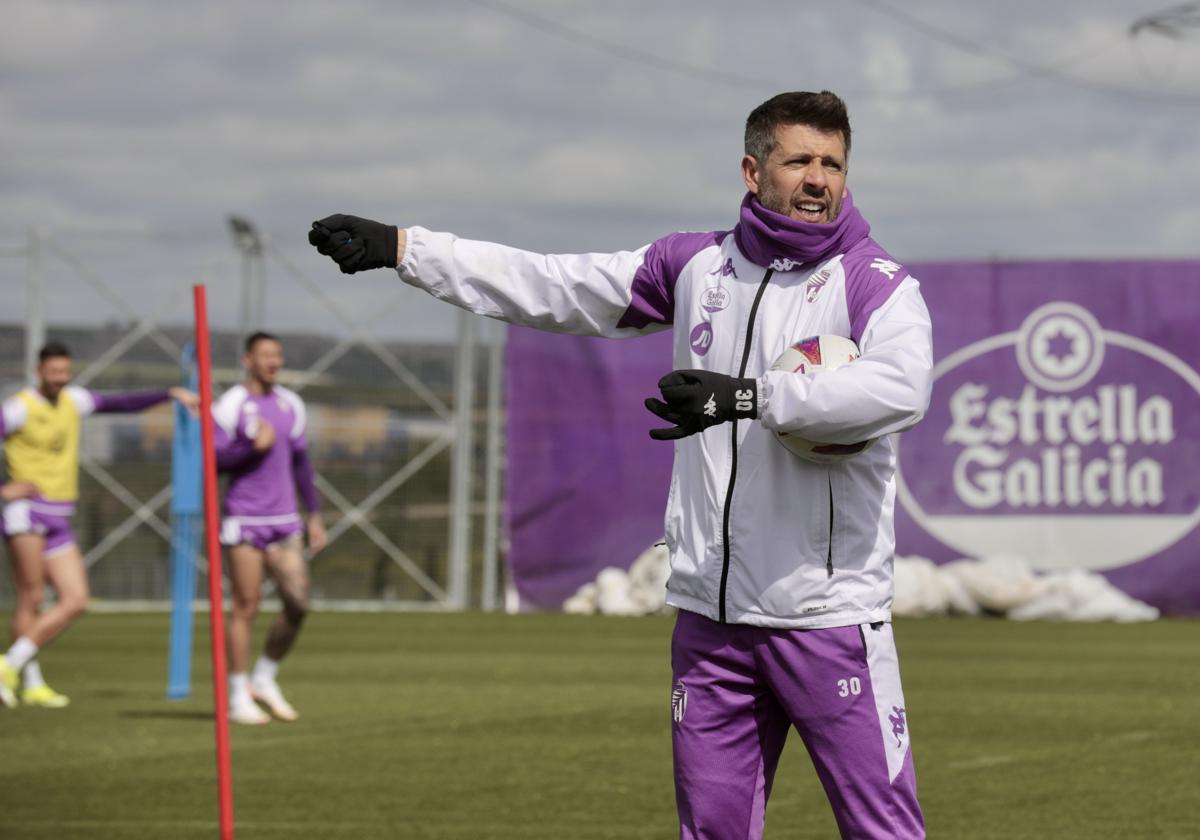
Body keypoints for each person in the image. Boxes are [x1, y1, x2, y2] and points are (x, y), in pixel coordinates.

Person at [309, 90, 933, 839]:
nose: (817, 179)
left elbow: (901, 385)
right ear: (751, 169)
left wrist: (750, 398)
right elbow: (555, 284)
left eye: (832, 163)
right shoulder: (696, 266)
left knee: (883, 831)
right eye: (798, 159)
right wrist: (408, 249)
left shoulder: (874, 281)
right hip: (711, 622)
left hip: (828, 620)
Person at [0, 341, 199, 709]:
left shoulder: (74, 401)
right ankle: (29, 680)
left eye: (66, 371)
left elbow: (121, 403)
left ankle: (10, 665)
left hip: (59, 515)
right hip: (25, 512)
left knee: (76, 600)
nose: (61, 378)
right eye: (54, 372)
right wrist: (4, 489)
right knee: (31, 596)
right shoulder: (17, 409)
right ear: (38, 372)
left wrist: (168, 393)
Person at [212, 331, 325, 725]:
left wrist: (314, 513)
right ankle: (238, 693)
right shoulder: (231, 405)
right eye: (266, 355)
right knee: (246, 606)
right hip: (244, 521)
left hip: (284, 522)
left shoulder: (291, 404)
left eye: (278, 354)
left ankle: (265, 676)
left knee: (299, 602)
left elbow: (301, 464)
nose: (274, 361)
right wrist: (249, 448)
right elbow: (213, 461)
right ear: (248, 360)